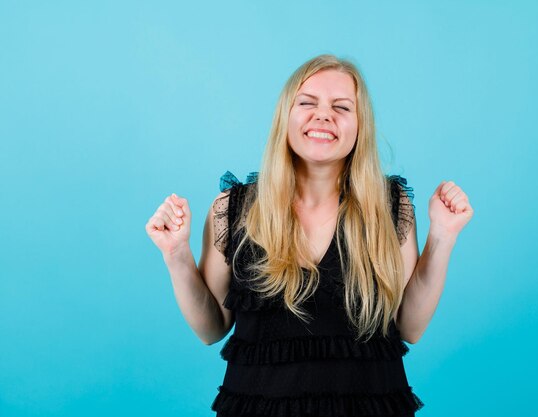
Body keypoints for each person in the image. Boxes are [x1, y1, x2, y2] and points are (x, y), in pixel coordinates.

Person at [145, 54, 473, 417]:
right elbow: (211, 329)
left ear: (360, 125)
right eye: (307, 103)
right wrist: (176, 255)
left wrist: (442, 237)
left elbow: (409, 328)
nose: (323, 115)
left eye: (342, 107)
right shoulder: (233, 209)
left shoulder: (391, 207)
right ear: (285, 116)